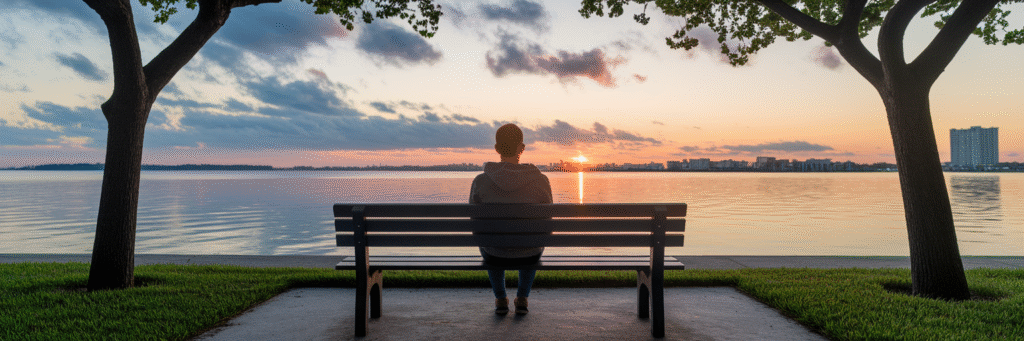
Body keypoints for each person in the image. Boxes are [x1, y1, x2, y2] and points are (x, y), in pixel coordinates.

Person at [469, 123, 553, 315]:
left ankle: (500, 299)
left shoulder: (480, 181)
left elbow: (474, 223)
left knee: (489, 241)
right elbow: (547, 223)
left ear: (497, 149)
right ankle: (522, 298)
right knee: (534, 240)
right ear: (522, 148)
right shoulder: (541, 180)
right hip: (530, 253)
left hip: (494, 253)